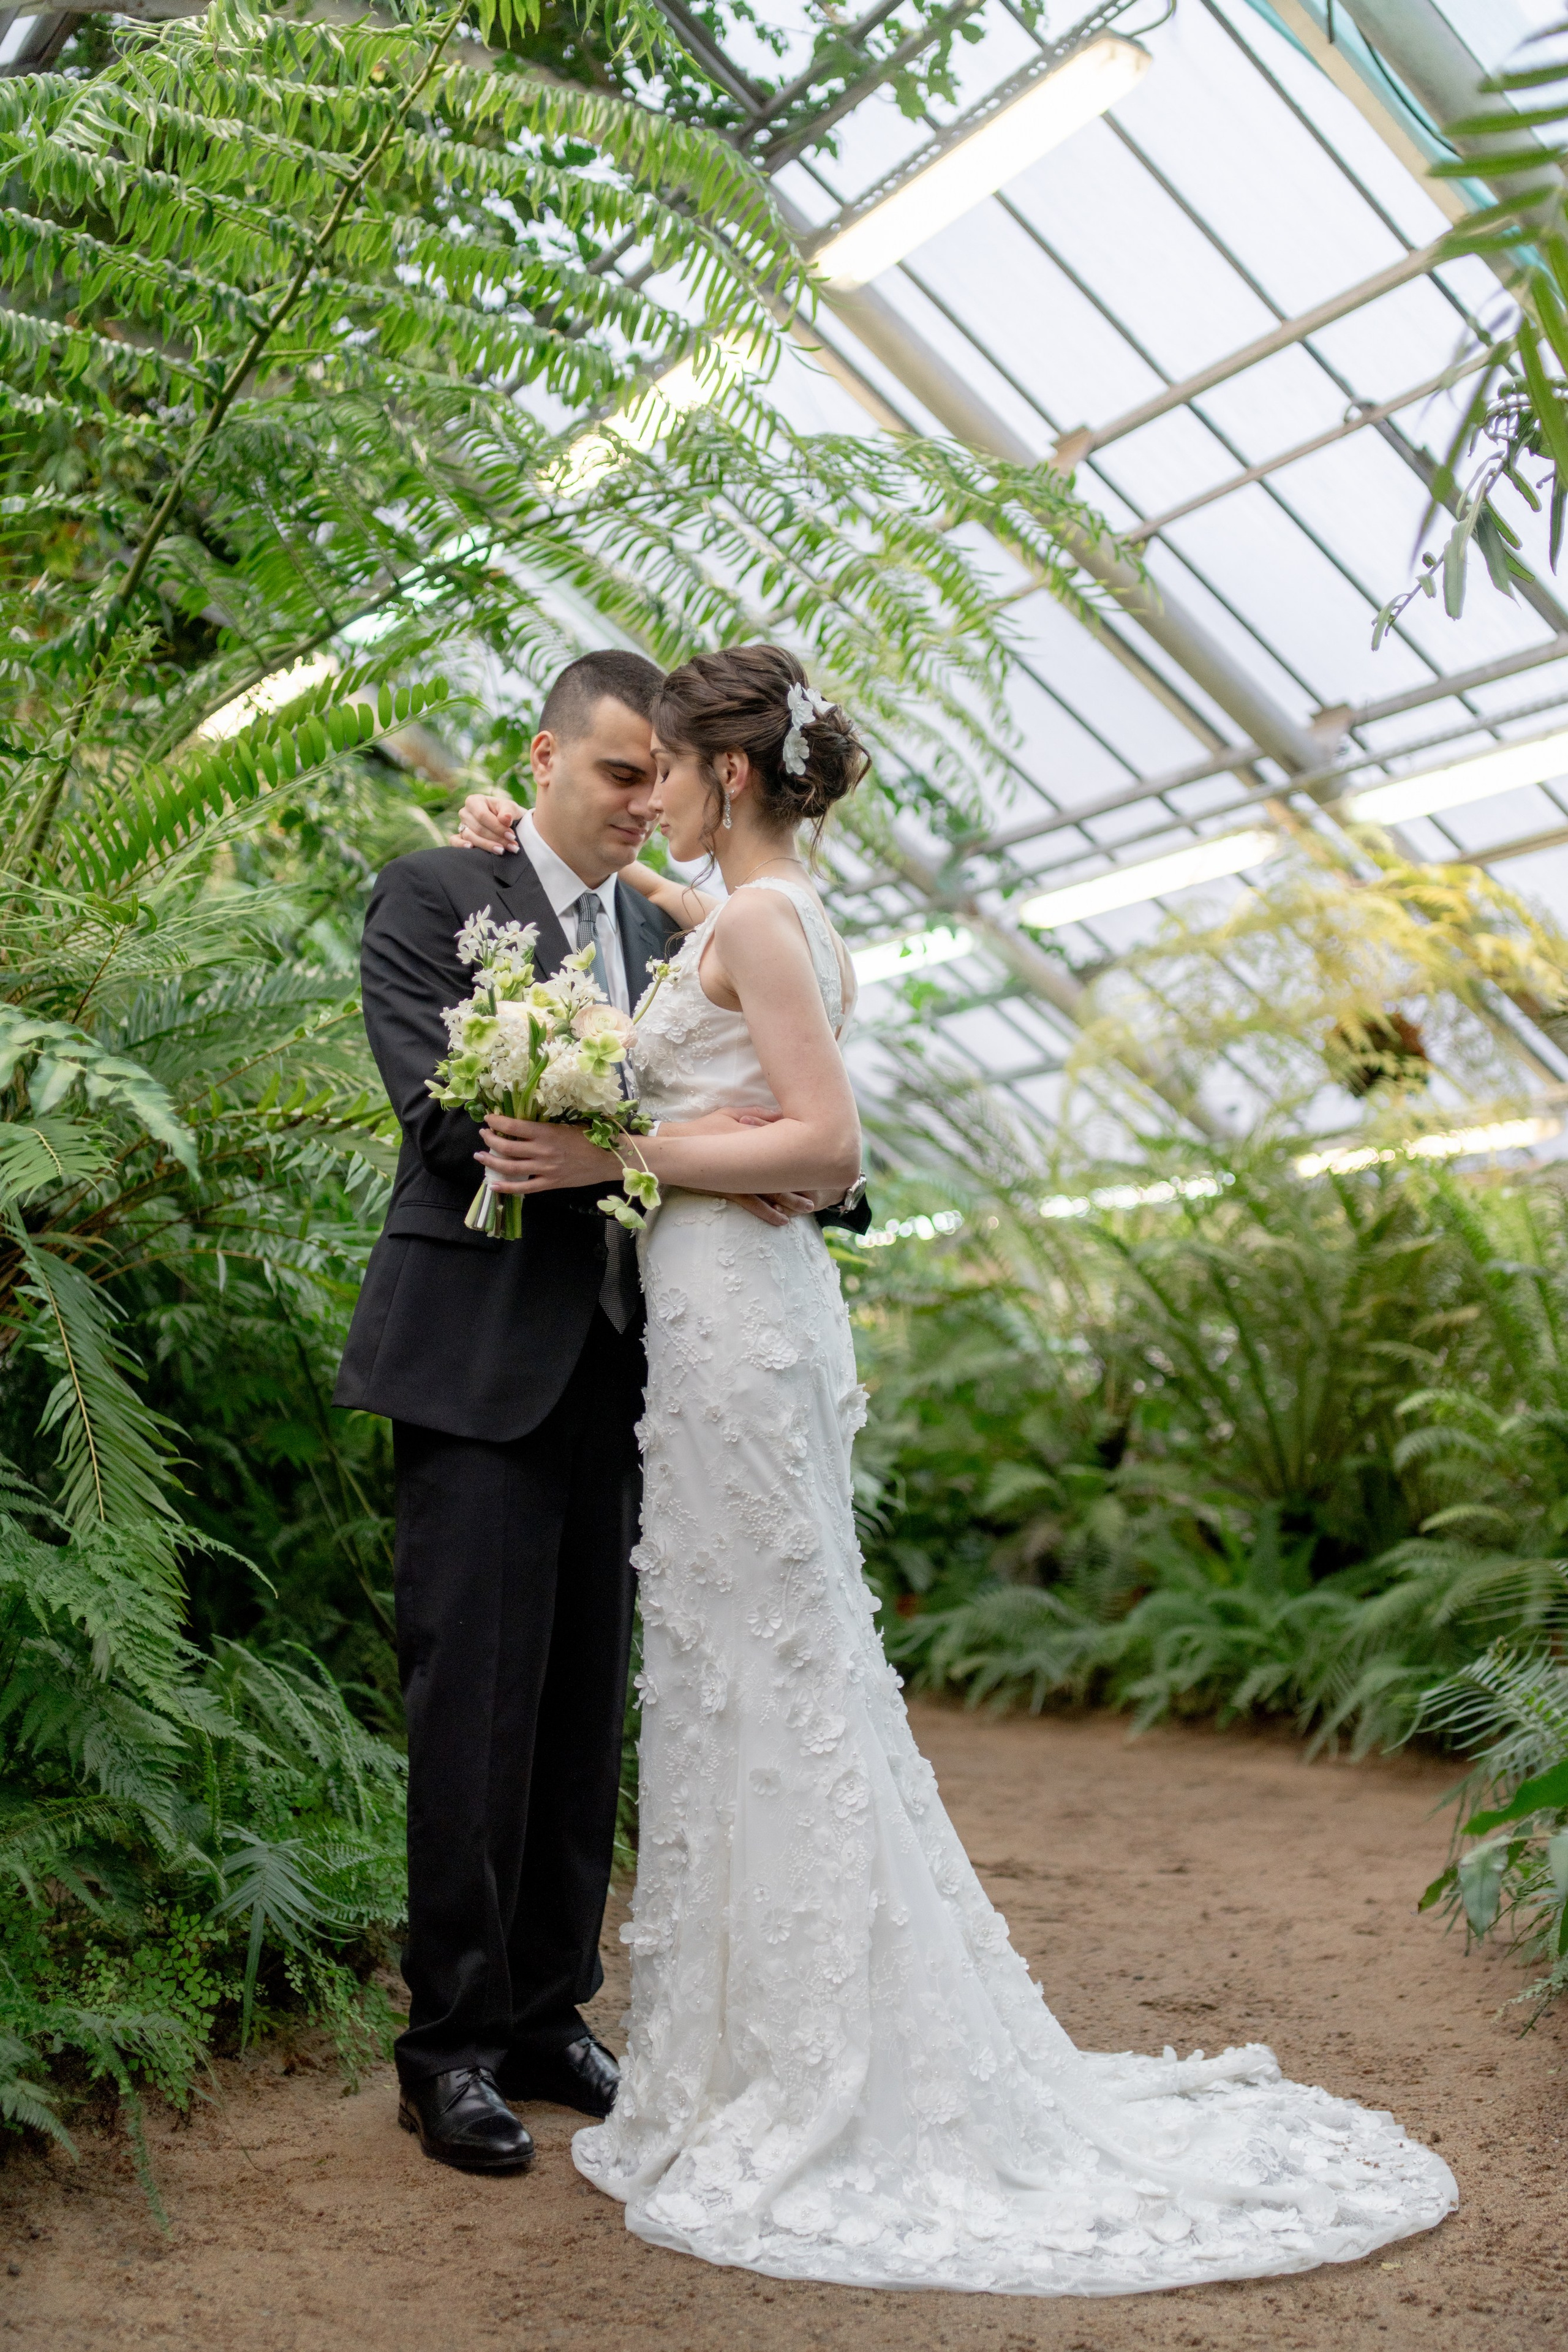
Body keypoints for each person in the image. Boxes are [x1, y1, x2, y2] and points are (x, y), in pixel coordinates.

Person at [453, 642, 1458, 2295]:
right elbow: (689, 990)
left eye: (672, 774)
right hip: (722, 1330)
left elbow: (826, 1143)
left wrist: (620, 1151)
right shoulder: (764, 912)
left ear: (724, 776)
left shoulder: (767, 921)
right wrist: (503, 829)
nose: (655, 803)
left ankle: (821, 2072)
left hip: (746, 1334)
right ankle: (755, 2055)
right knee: (740, 1676)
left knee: (774, 1677)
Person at [335, 649, 867, 2178]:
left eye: (661, 776)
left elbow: (788, 1095)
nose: (645, 803)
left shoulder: (671, 920)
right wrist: (653, 1147)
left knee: (582, 1712)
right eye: (619, 774)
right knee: (473, 1707)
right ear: (544, 760)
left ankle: (551, 2009)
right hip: (480, 1360)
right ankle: (446, 2047)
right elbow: (453, 1133)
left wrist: (780, 1172)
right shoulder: (438, 896)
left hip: (641, 1368)